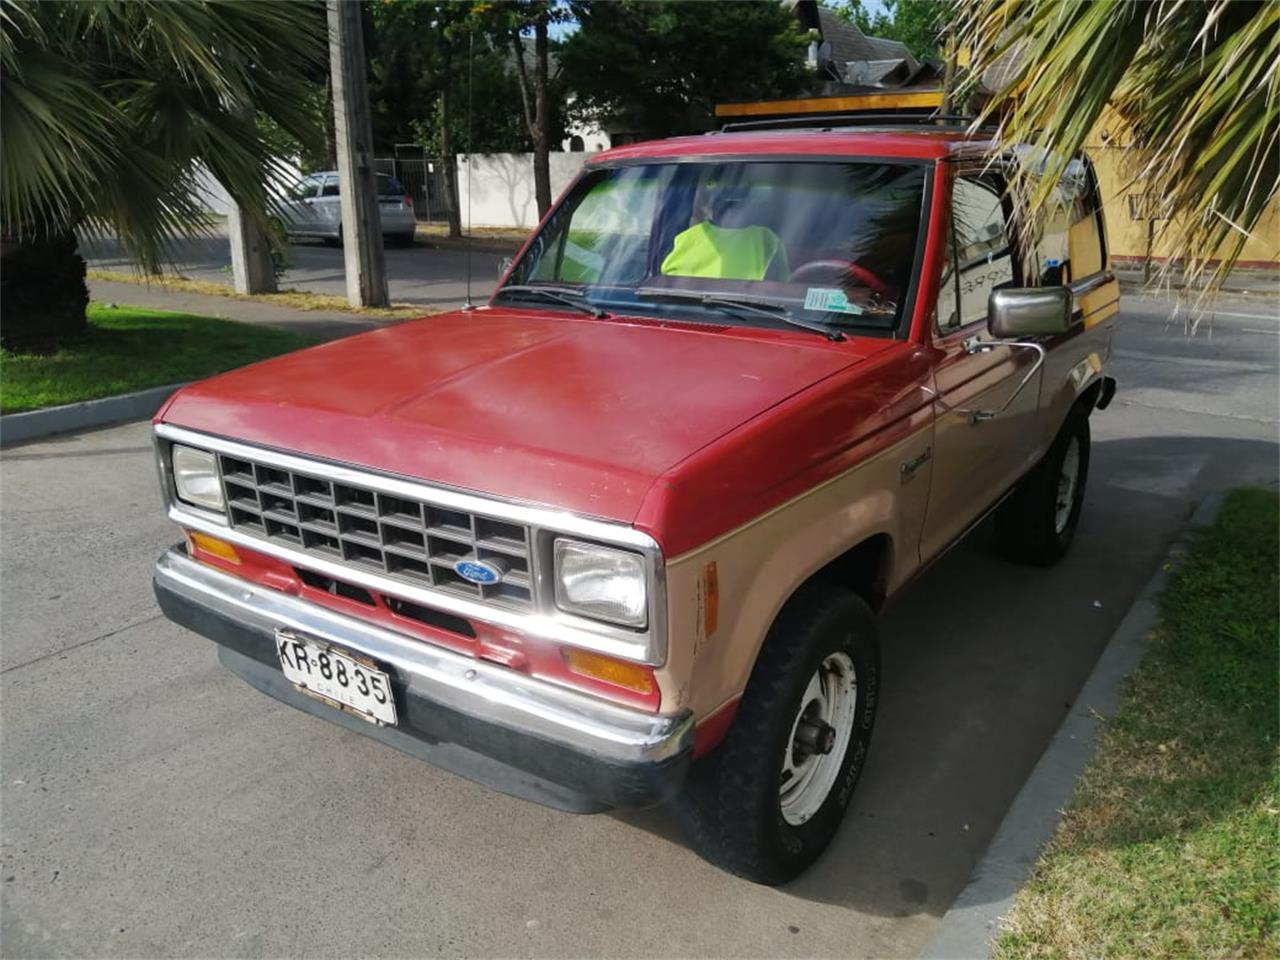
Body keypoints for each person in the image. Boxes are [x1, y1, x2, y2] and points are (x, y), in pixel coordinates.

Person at [660, 187, 789, 282]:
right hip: (749, 309)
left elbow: (666, 286)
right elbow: (780, 287)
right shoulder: (767, 239)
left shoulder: (685, 238)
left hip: (686, 308)